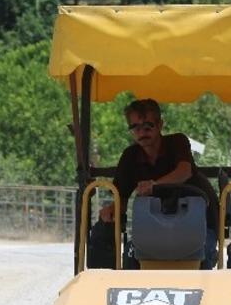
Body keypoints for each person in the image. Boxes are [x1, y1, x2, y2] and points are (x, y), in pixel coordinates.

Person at [87, 99, 218, 268]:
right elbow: (121, 198)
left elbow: (184, 171)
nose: (142, 132)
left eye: (148, 126)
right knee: (130, 256)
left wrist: (153, 185)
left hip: (200, 225)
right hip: (153, 229)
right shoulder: (130, 156)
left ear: (160, 124)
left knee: (202, 258)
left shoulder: (177, 142)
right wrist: (110, 211)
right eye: (135, 128)